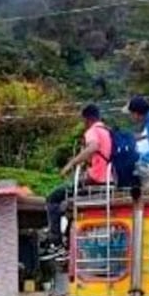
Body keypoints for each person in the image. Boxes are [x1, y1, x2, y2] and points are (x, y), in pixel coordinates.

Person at [43, 104, 114, 261]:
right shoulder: (108, 132)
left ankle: (55, 242)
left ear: (86, 119)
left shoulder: (92, 131)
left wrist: (70, 164)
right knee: (68, 205)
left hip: (94, 179)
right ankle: (68, 243)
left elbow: (93, 147)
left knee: (53, 198)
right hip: (108, 180)